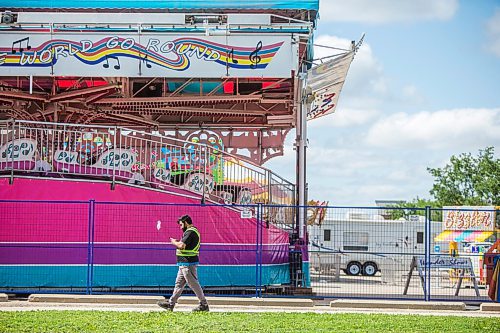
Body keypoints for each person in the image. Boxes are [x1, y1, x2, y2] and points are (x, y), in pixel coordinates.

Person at [158, 214, 209, 312]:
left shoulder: (190, 232)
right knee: (178, 284)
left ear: (186, 223)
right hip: (184, 264)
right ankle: (171, 304)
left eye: (181, 225)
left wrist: (174, 242)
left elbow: (181, 246)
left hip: (188, 263)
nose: (180, 227)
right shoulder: (191, 231)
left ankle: (204, 304)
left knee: (193, 283)